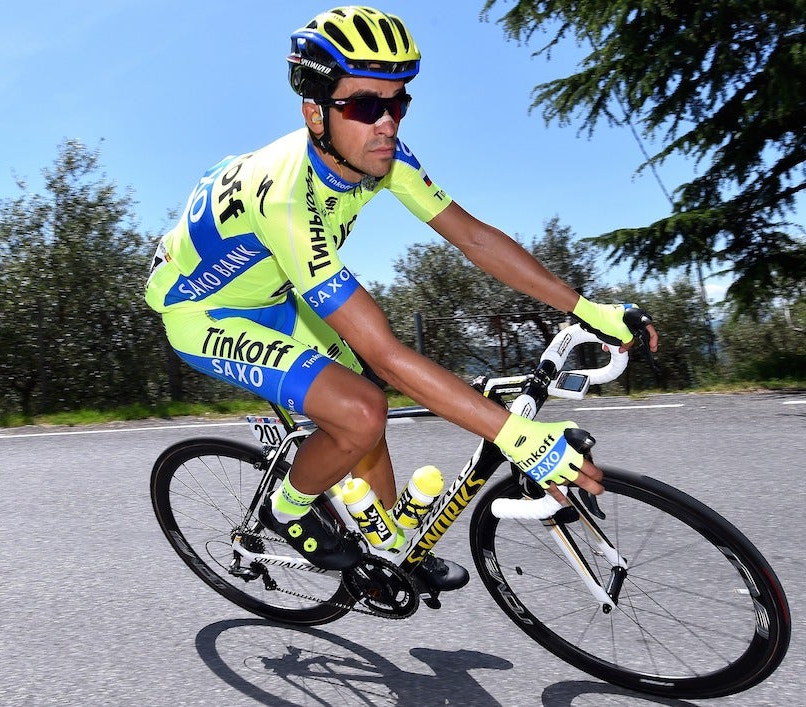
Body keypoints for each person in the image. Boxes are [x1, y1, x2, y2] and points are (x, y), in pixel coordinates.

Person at [145, 6, 658, 593]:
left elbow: (473, 237)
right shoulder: (287, 196)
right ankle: (289, 511)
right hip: (205, 312)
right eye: (366, 106)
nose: (387, 123)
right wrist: (519, 439)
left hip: (275, 289)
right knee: (362, 406)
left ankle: (386, 545)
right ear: (315, 110)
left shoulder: (376, 156)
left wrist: (587, 309)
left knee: (362, 399)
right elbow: (388, 352)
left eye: (399, 103)